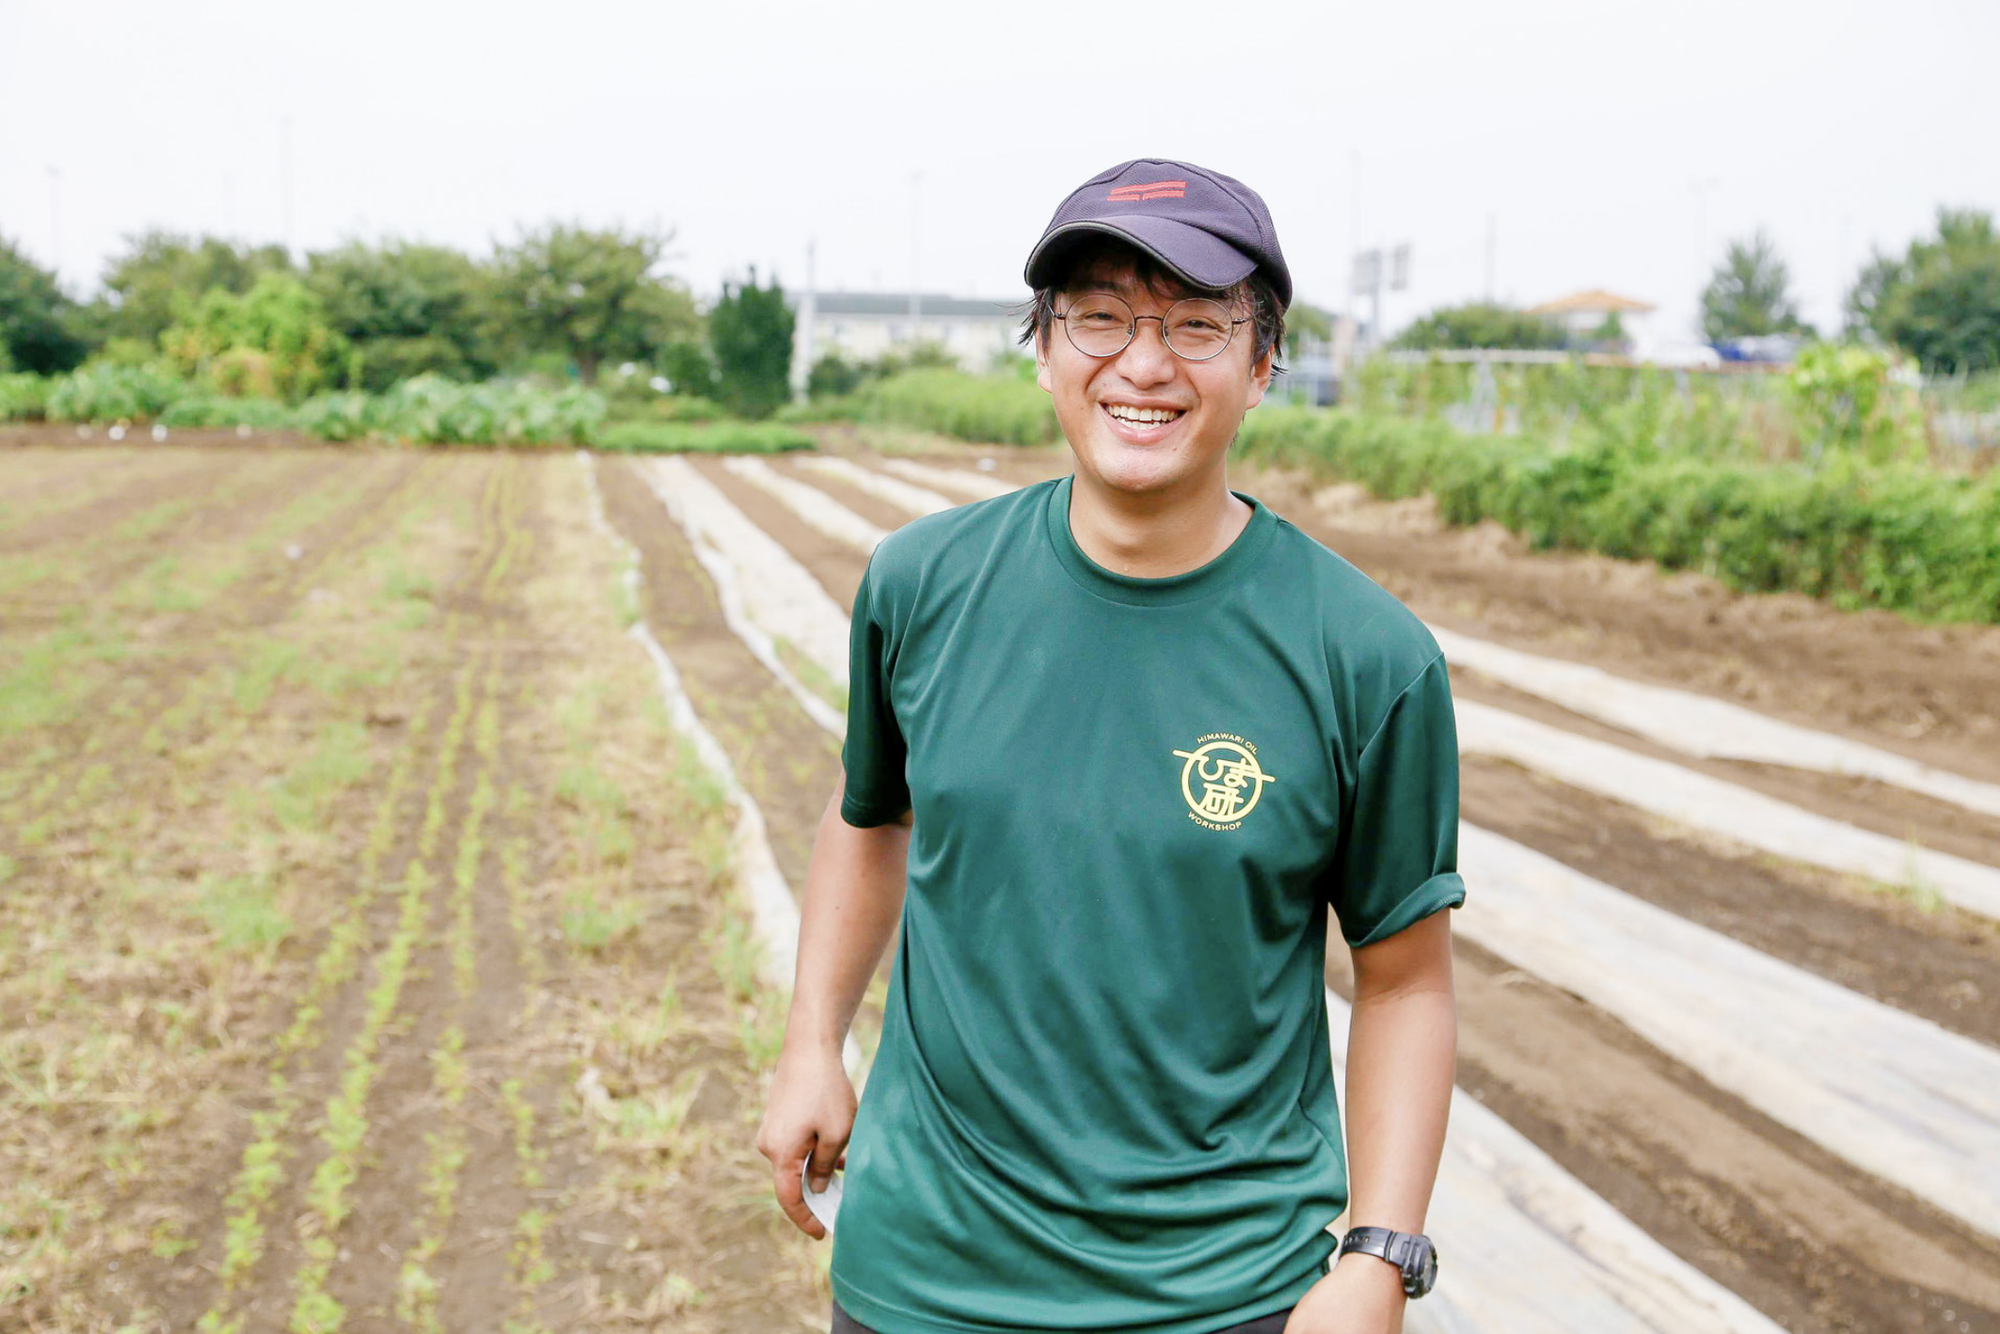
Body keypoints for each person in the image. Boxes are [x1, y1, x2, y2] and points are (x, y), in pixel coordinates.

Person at [757, 158, 1462, 1334]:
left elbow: (1403, 977)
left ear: (1263, 360)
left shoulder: (1366, 656)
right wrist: (809, 1043)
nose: (1142, 364)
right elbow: (868, 814)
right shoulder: (922, 585)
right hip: (924, 1274)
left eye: (1196, 323)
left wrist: (1379, 1254)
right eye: (1099, 317)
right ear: (1042, 345)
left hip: (1222, 1288)